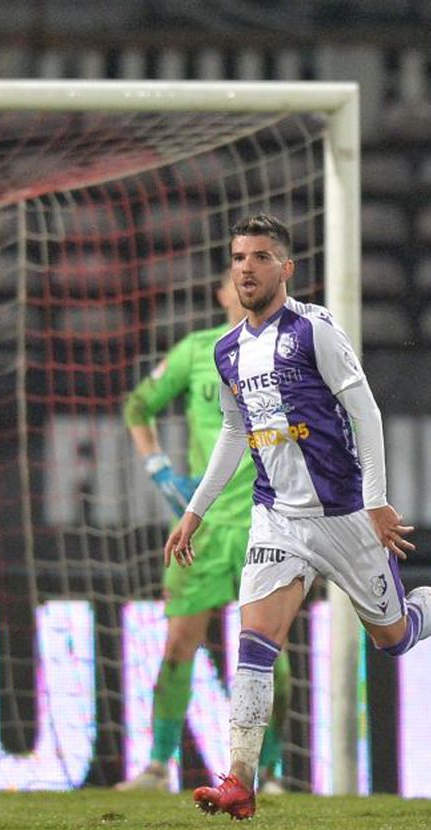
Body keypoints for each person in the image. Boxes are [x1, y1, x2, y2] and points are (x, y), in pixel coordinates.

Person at [166, 213, 431, 820]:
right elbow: (235, 432)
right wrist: (195, 511)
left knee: (394, 638)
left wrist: (376, 500)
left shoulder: (313, 330)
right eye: (239, 258)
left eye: (261, 257)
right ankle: (240, 780)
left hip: (344, 514)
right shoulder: (226, 351)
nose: (246, 269)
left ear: (286, 268)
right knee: (255, 642)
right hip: (277, 517)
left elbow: (365, 412)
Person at [116, 274, 291, 794]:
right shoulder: (197, 351)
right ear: (221, 294)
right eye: (236, 278)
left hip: (268, 526)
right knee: (177, 646)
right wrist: (158, 469)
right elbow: (137, 406)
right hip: (204, 530)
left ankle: (270, 773)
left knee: (271, 660)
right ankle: (156, 767)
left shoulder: (291, 350)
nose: (245, 286)